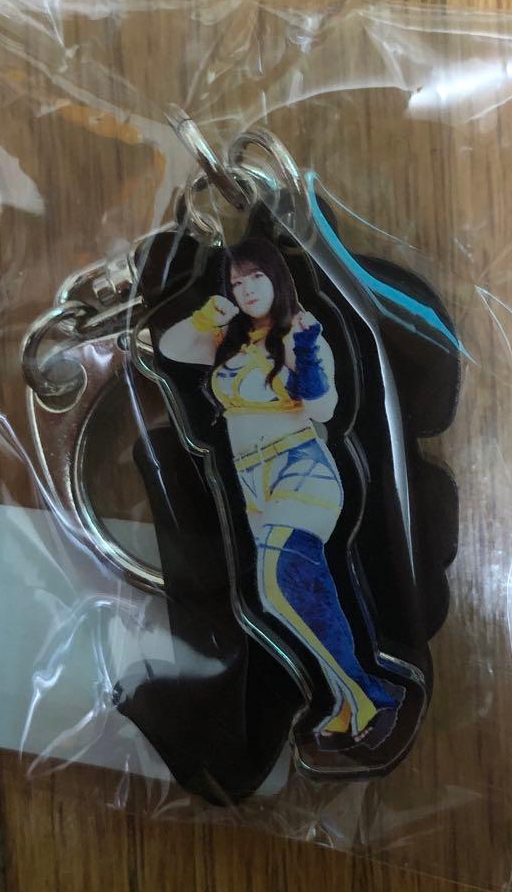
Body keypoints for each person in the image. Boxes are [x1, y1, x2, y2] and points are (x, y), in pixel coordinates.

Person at [158, 237, 403, 750]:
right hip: (254, 483)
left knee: (278, 581)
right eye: (236, 282)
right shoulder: (228, 342)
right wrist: (208, 314)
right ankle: (346, 702)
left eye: (256, 277)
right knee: (281, 594)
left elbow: (323, 408)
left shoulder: (300, 331)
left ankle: (369, 694)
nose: (247, 290)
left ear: (277, 278)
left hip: (301, 470)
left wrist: (306, 354)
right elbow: (170, 348)